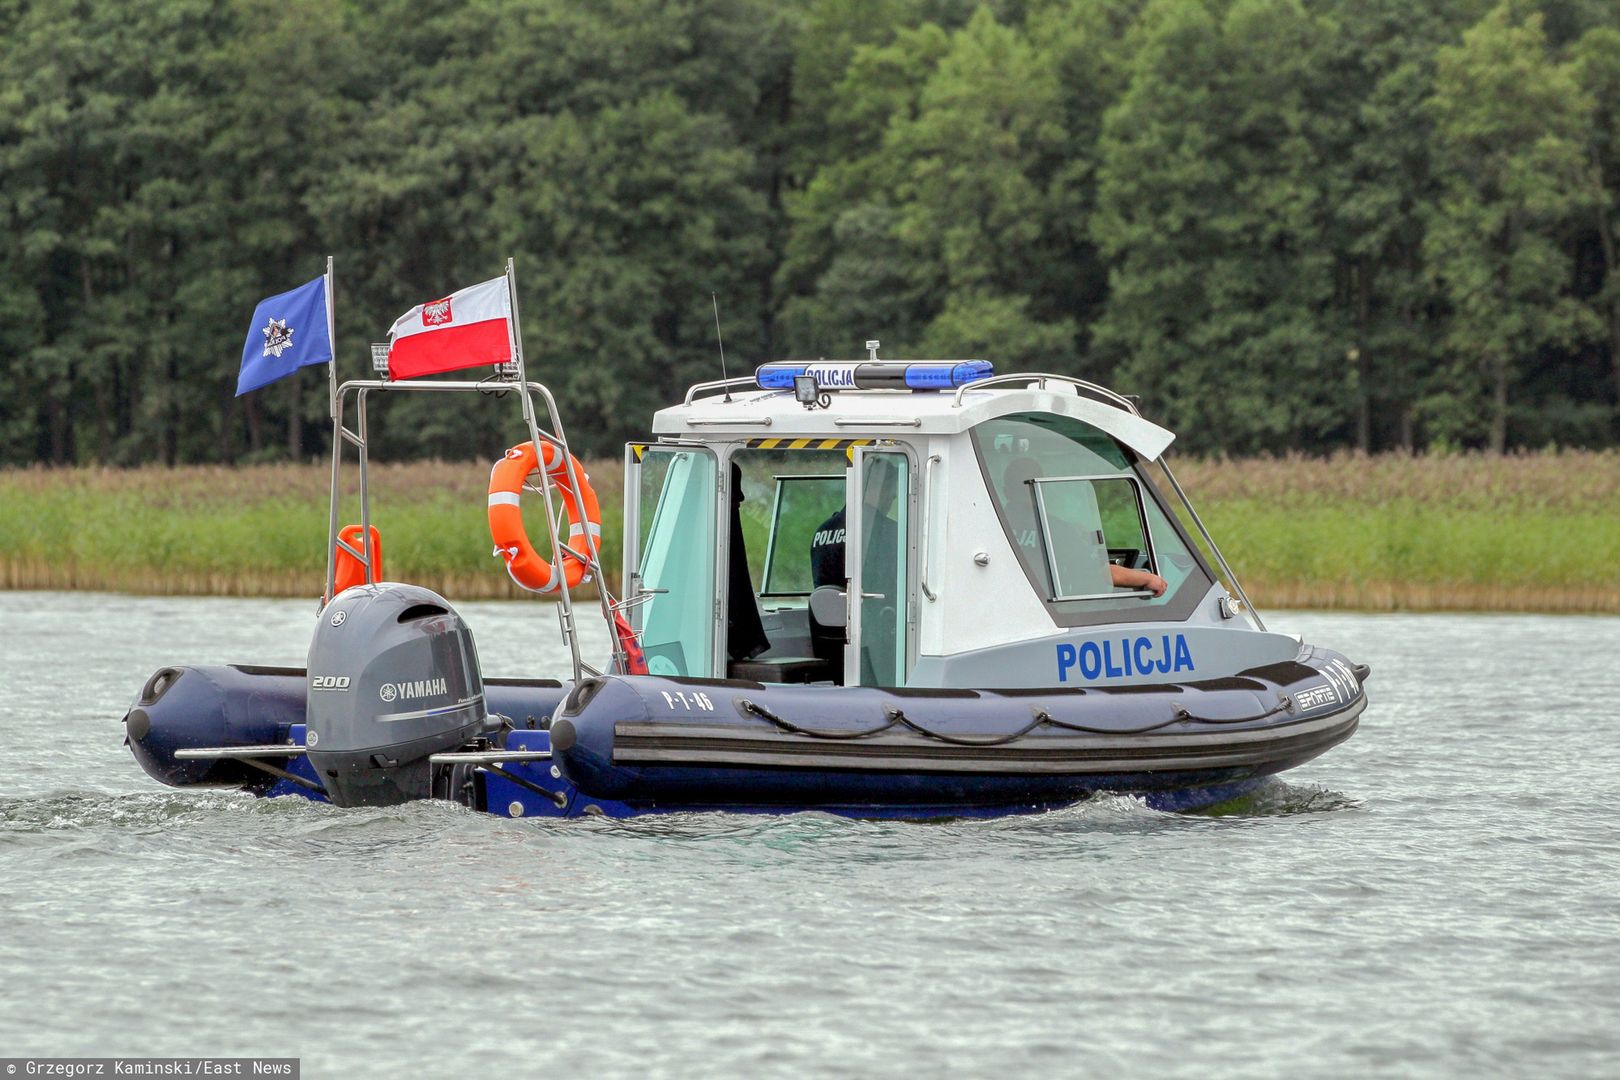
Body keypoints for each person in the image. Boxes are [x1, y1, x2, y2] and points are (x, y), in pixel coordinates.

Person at [998, 457, 1168, 597]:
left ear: (1006, 492)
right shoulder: (1056, 531)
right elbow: (1103, 574)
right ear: (1041, 490)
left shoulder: (996, 525)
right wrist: (1148, 579)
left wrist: (1073, 535)